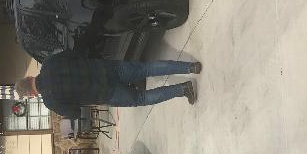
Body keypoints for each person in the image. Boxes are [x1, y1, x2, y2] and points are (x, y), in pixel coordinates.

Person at [15, 51, 202, 119]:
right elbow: (75, 53)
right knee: (145, 69)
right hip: (104, 68)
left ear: (31, 95)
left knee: (141, 98)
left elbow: (76, 113)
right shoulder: (49, 63)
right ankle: (189, 67)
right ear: (29, 77)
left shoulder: (51, 101)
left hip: (105, 93)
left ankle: (182, 88)